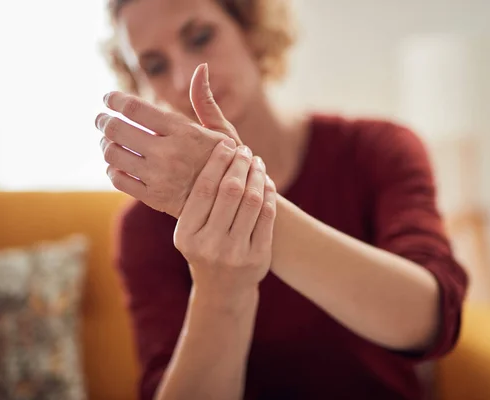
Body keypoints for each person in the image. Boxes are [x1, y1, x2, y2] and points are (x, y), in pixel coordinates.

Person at [95, 0, 468, 399]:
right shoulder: (144, 227)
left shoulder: (378, 150)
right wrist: (221, 288)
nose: (184, 76)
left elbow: (430, 319)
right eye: (154, 66)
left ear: (251, 29)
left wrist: (237, 196)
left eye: (201, 37)